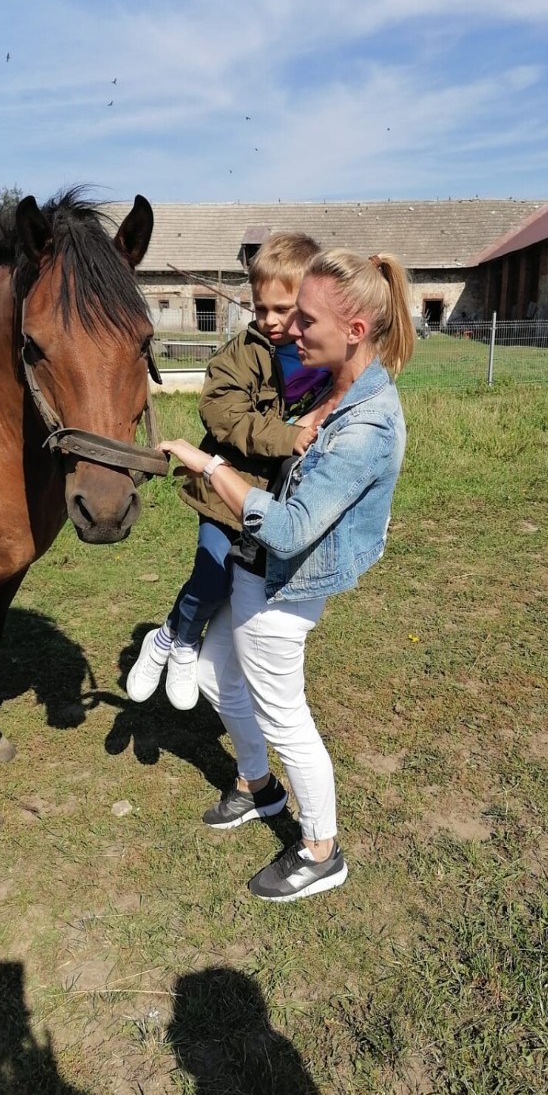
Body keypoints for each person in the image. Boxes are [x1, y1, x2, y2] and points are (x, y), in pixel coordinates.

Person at [158, 248, 413, 901]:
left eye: (305, 320)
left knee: (285, 718)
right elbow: (250, 414)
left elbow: (295, 527)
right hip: (255, 568)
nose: (291, 332)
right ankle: (258, 786)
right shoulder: (330, 381)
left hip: (285, 584)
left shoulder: (370, 424)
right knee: (214, 674)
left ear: (355, 331)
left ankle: (321, 850)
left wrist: (208, 466)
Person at [126, 233, 329, 711]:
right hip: (224, 485)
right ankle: (175, 640)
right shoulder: (245, 351)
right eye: (261, 309)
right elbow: (220, 411)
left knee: (242, 586)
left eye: (283, 309)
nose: (271, 321)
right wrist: (288, 436)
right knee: (214, 570)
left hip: (275, 500)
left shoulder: (318, 352)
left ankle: (176, 635)